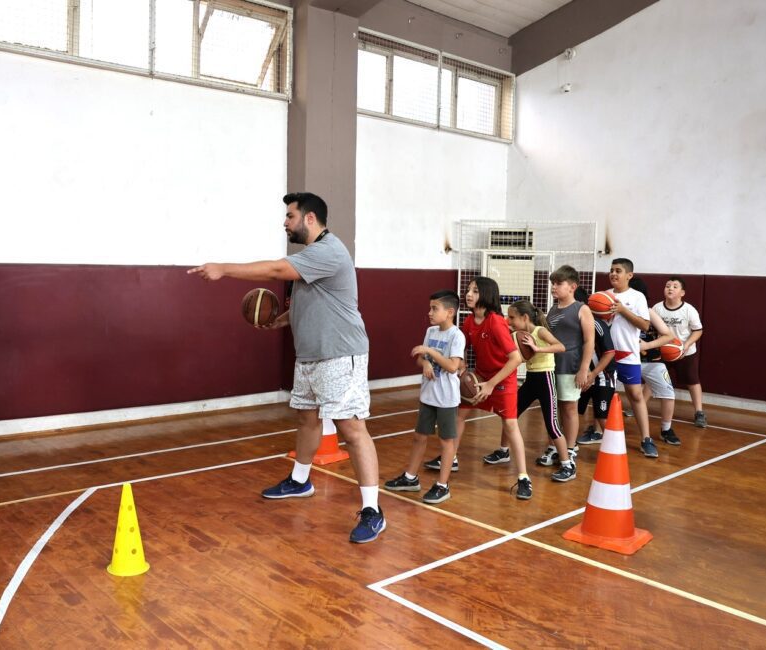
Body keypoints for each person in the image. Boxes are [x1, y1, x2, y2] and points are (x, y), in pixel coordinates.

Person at [188, 192, 385, 543]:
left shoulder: (329, 250)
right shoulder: (311, 255)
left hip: (341, 354)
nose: (285, 222)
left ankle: (373, 510)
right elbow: (316, 299)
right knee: (306, 418)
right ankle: (299, 480)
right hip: (310, 355)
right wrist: (282, 319)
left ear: (310, 219)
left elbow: (277, 269)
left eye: (290, 216)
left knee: (351, 429)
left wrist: (223, 269)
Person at [424, 277, 532, 499]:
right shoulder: (469, 322)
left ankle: (523, 478)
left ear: (487, 294)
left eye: (475, 290)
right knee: (459, 415)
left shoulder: (496, 322)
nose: (469, 294)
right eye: (468, 290)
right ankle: (450, 457)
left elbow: (515, 359)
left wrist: (492, 384)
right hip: (481, 378)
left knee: (511, 425)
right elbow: (462, 349)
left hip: (502, 380)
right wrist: (462, 366)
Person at [384, 290, 465, 504]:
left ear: (449, 312)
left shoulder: (457, 336)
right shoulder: (431, 331)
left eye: (434, 309)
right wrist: (426, 361)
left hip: (446, 398)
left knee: (446, 442)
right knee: (419, 436)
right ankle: (410, 478)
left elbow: (452, 367)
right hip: (428, 395)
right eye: (430, 308)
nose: (429, 312)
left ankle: (442, 485)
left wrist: (432, 353)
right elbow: (420, 359)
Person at [508, 300, 576, 483]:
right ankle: (503, 450)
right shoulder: (518, 334)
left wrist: (538, 348)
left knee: (552, 426)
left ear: (525, 317)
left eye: (512, 317)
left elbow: (561, 347)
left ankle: (567, 465)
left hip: (545, 378)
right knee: (510, 414)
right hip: (531, 379)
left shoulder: (539, 331)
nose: (509, 321)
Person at [607, 258, 659, 458]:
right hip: (606, 354)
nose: (613, 273)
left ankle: (646, 438)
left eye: (618, 270)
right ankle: (595, 430)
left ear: (629, 275)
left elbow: (645, 325)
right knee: (602, 393)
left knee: (636, 395)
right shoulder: (602, 296)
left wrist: (622, 310)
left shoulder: (637, 297)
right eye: (611, 270)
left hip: (628, 353)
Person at [545, 265, 595, 460]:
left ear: (572, 286)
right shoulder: (553, 308)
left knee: (569, 408)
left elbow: (589, 341)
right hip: (551, 365)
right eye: (552, 283)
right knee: (553, 408)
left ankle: (571, 447)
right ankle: (554, 446)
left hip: (571, 366)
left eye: (558, 283)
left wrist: (584, 369)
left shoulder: (582, 309)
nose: (554, 287)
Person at [629, 277, 679, 447]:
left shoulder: (649, 312)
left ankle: (666, 429)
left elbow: (669, 336)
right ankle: (598, 429)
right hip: (627, 360)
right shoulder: (619, 311)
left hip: (652, 361)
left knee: (668, 393)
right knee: (605, 392)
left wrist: (648, 344)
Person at [653, 276, 707, 427]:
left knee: (692, 381)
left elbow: (698, 331)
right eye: (667, 285)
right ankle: (638, 406)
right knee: (653, 379)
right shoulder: (657, 308)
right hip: (664, 351)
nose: (670, 288)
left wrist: (686, 345)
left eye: (675, 286)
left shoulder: (689, 310)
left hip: (685, 352)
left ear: (682, 292)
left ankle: (699, 412)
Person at [576, 286, 618, 445]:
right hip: (583, 374)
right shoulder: (570, 323)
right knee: (570, 409)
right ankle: (567, 446)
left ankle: (615, 448)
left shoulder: (597, 324)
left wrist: (592, 376)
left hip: (603, 375)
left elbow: (610, 353)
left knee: (602, 415)